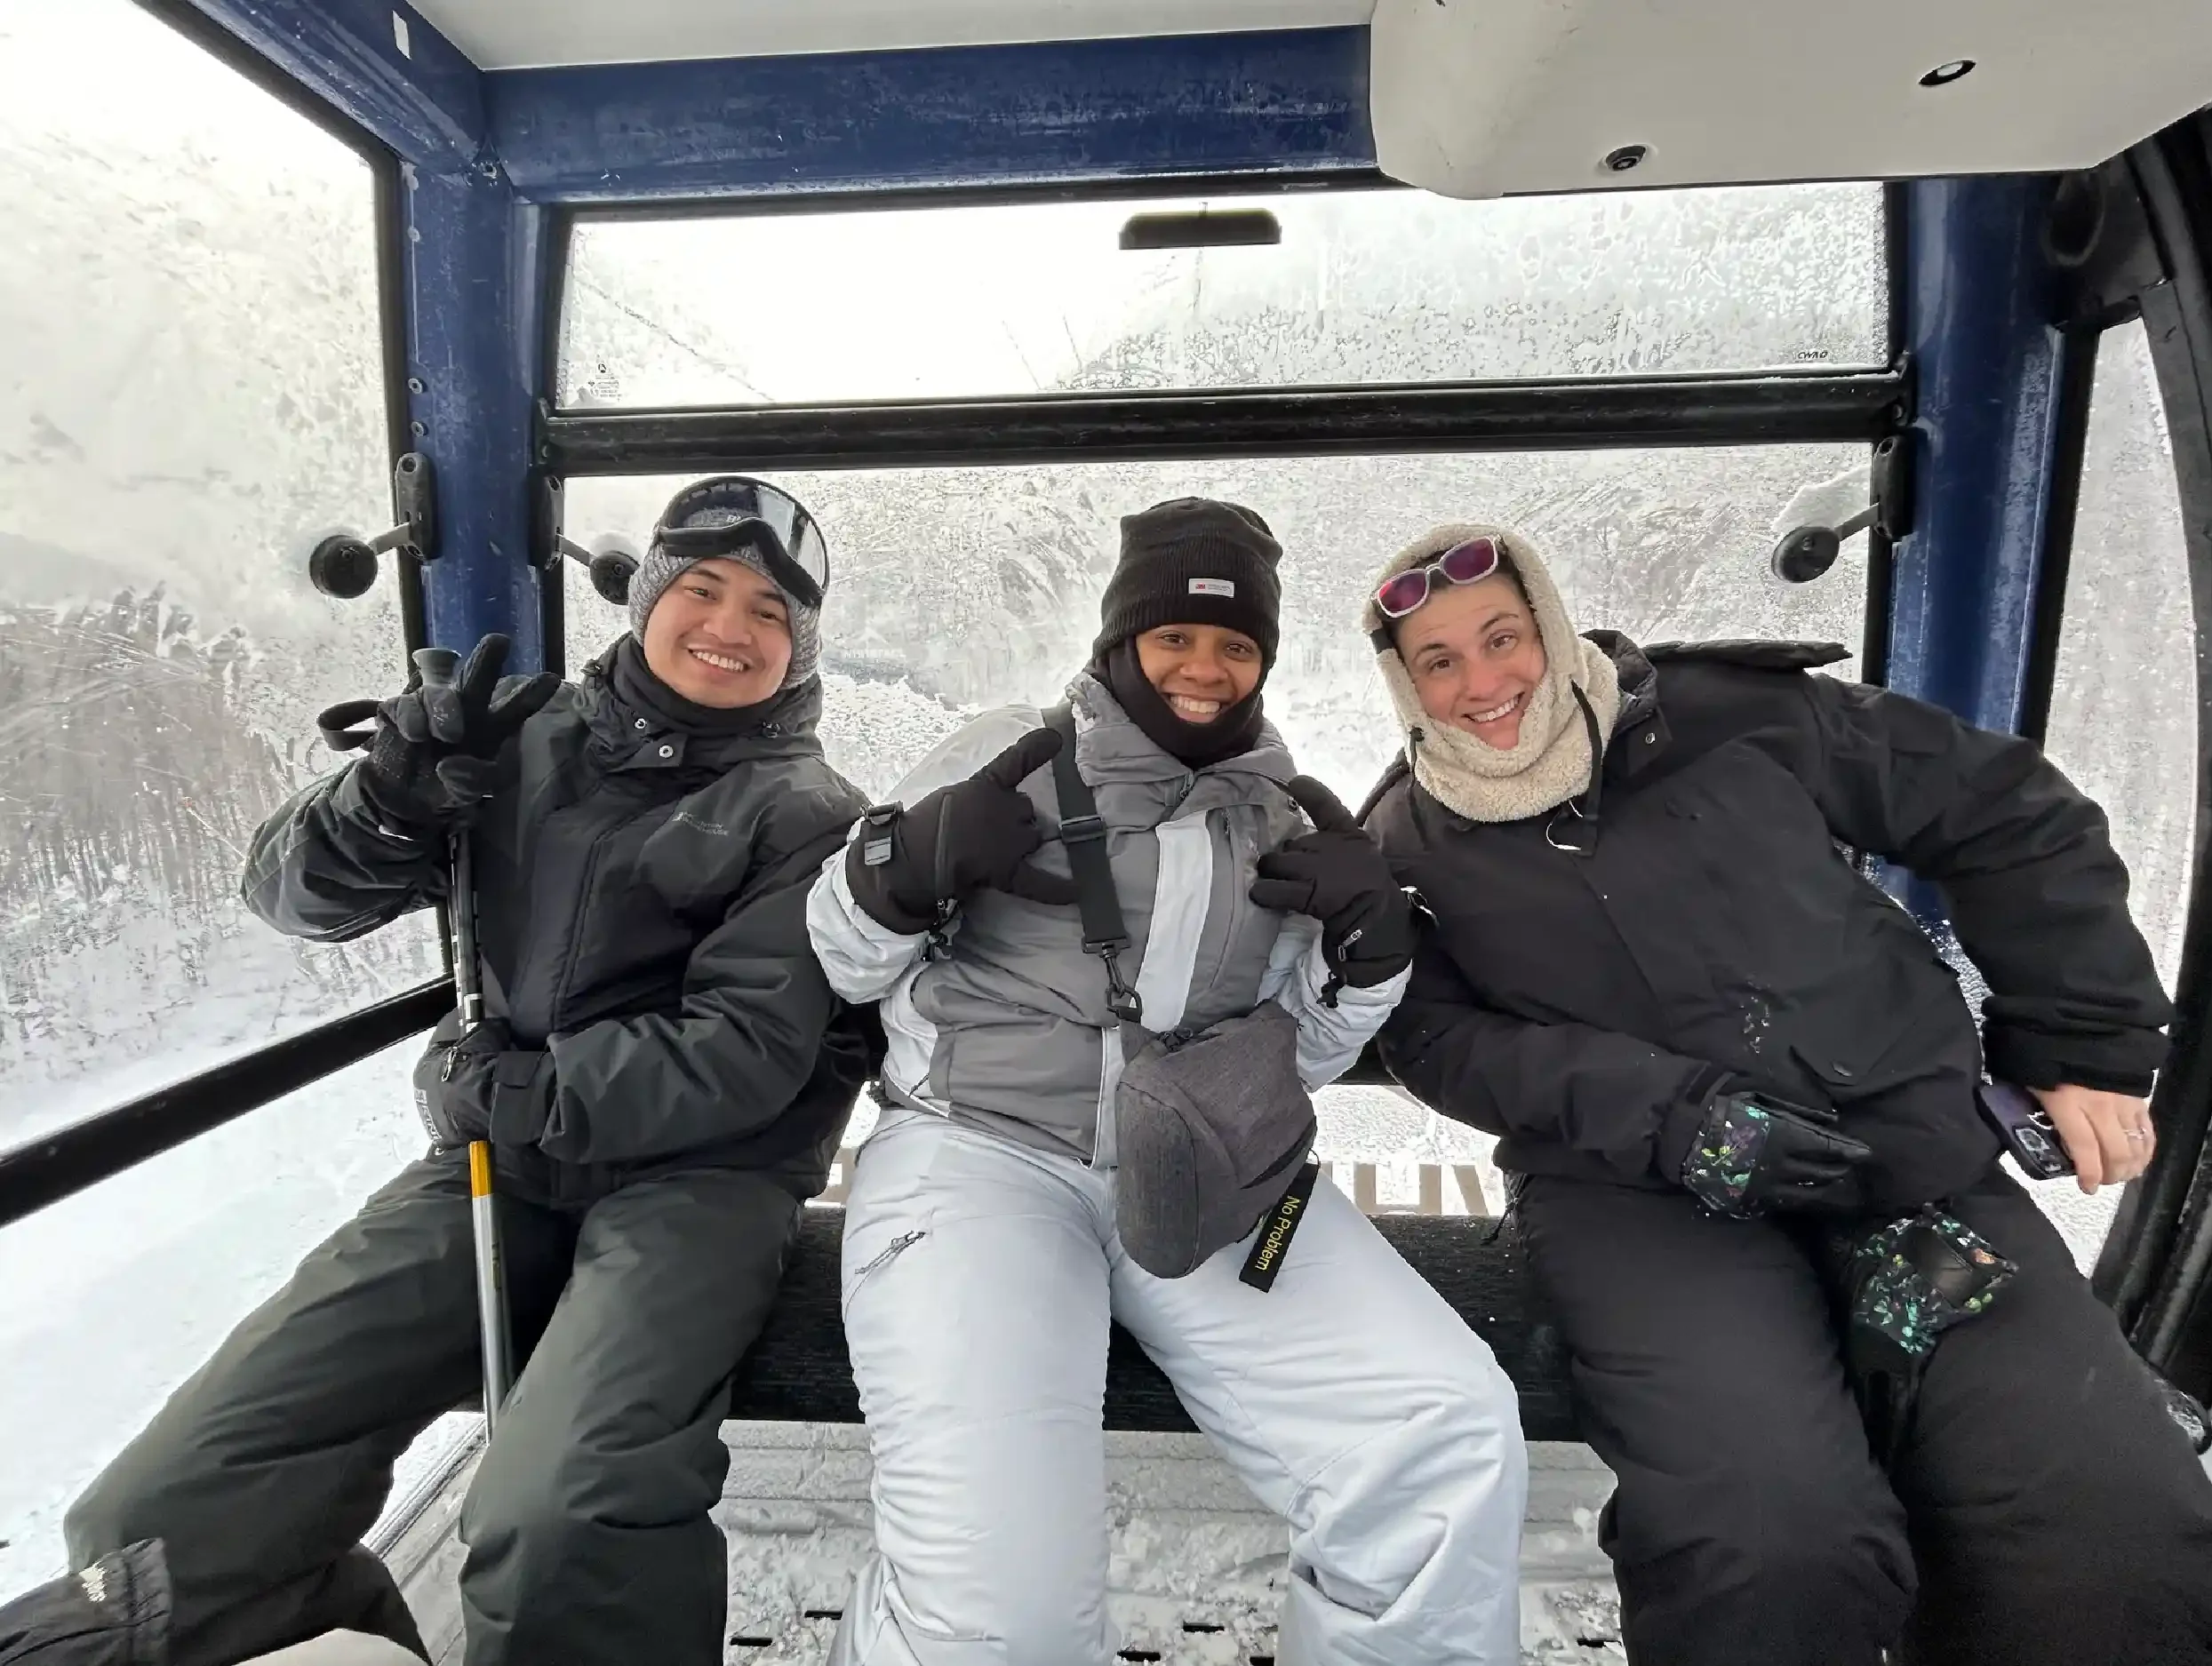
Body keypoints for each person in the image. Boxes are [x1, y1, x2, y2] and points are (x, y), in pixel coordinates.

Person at [46, 477, 877, 1666]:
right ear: (647, 595)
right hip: (505, 1158)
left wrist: (516, 1088)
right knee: (165, 1510)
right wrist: (384, 801)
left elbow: (742, 1055)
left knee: (556, 1517)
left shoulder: (805, 813)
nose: (730, 628)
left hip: (698, 1181)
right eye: (702, 588)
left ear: (799, 648)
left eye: (771, 612)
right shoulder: (513, 744)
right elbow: (290, 895)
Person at [1359, 521, 2212, 1666]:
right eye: (1440, 662)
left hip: (1901, 1171)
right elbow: (1432, 1035)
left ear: (1550, 627)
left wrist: (2083, 1041)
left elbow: (2001, 810)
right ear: (1405, 687)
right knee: (1769, 1540)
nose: (1484, 684)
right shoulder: (1410, 840)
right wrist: (1671, 1117)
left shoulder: (1729, 718)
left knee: (2104, 1519)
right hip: (1644, 1206)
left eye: (1502, 637)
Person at [805, 498, 1529, 1665]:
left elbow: (1300, 1053)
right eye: (1174, 637)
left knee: (1441, 1429)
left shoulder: (1287, 822)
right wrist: (903, 869)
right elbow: (842, 953)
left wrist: (1369, 959)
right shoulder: (1005, 756)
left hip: (1204, 1170)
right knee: (1008, 1618)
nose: (1204, 666)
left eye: (1235, 645)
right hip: (979, 1157)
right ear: (1119, 641)